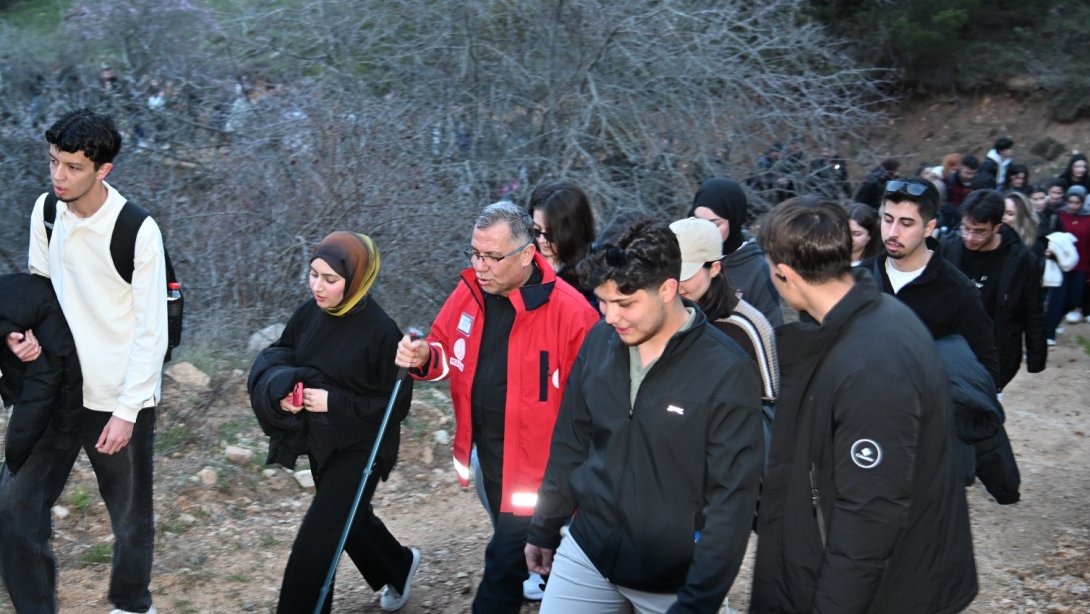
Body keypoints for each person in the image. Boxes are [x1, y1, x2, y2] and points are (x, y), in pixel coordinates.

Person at [525, 215, 764, 614]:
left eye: (625, 303)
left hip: (675, 577)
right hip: (590, 552)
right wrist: (544, 528)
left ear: (668, 289)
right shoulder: (599, 341)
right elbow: (571, 442)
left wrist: (697, 602)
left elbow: (731, 505)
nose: (610, 316)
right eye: (602, 301)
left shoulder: (727, 371)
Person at [750, 198, 978, 613]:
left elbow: (869, 515)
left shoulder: (873, 365)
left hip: (895, 590)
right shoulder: (873, 315)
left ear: (785, 274)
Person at [394, 202, 598, 614]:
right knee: (533, 560)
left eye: (492, 256)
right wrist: (423, 357)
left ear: (526, 255)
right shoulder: (469, 293)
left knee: (501, 571)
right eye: (474, 253)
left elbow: (596, 408)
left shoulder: (573, 313)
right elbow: (444, 351)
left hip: (543, 478)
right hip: (490, 462)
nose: (480, 265)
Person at [3, 108, 167, 614]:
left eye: (73, 167)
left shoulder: (137, 230)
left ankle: (131, 604)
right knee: (12, 507)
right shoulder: (46, 211)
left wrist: (127, 411)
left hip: (113, 396)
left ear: (103, 170)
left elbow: (152, 331)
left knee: (129, 515)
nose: (59, 175)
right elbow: (37, 294)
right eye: (54, 161)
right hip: (53, 390)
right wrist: (22, 340)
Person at [248, 231, 419, 613]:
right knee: (347, 520)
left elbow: (395, 406)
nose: (317, 287)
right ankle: (399, 564)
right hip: (324, 441)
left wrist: (333, 402)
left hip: (364, 446)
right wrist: (286, 390)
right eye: (313, 275)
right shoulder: (309, 314)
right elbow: (282, 354)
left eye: (330, 279)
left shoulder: (382, 332)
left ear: (355, 280)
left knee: (318, 540)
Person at [865, 176, 1000, 387]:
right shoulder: (858, 278)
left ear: (929, 228)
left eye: (906, 223)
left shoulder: (958, 291)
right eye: (888, 219)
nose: (892, 233)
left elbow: (985, 369)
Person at [941, 190, 1047, 391]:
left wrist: (1036, 357)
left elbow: (1033, 310)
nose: (970, 237)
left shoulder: (1021, 260)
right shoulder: (949, 248)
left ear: (997, 227)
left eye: (979, 231)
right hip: (951, 350)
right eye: (965, 228)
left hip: (996, 353)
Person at [688, 177, 783, 326]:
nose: (704, 231)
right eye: (698, 221)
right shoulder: (683, 255)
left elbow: (772, 329)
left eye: (714, 225)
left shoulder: (759, 271)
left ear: (734, 221)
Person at [527, 180, 596, 303]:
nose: (542, 240)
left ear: (573, 230)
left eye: (551, 234)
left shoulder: (591, 275)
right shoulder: (524, 261)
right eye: (536, 230)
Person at [1045, 185, 1090, 335]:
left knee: (1074, 300)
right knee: (1058, 299)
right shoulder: (1059, 215)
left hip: (1081, 266)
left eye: (1077, 203)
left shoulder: (1088, 218)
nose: (1073, 206)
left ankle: (1056, 320)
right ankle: (1050, 328)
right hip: (1061, 264)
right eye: (1070, 202)